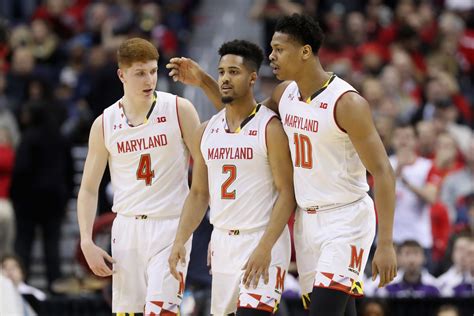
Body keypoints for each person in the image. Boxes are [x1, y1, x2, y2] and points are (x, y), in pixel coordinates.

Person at [167, 13, 397, 316]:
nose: (271, 57)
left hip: (345, 218)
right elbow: (243, 120)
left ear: (305, 52)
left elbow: (382, 172)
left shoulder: (347, 103)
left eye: (279, 50)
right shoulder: (284, 94)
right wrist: (205, 82)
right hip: (306, 221)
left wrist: (386, 243)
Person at [168, 40, 295, 315]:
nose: (225, 78)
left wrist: (265, 247)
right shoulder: (206, 131)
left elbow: (288, 193)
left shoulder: (270, 128)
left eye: (233, 72)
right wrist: (180, 239)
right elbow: (199, 194)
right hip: (223, 242)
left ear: (252, 78)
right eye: (222, 71)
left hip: (262, 239)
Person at [77, 37, 200, 315]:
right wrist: (86, 240)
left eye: (153, 71)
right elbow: (87, 189)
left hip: (171, 227)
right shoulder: (105, 123)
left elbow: (206, 171)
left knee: (162, 311)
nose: (149, 80)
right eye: (140, 73)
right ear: (122, 75)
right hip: (127, 230)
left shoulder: (179, 110)